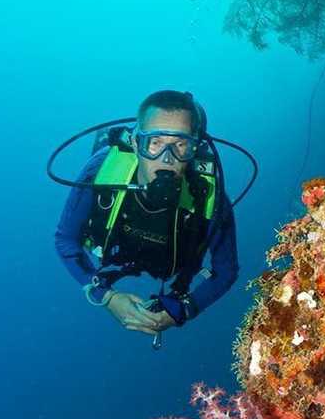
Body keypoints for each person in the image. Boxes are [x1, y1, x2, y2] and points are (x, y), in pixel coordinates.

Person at [55, 90, 239, 338]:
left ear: (194, 149)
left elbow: (226, 270)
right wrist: (105, 296)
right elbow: (65, 239)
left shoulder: (210, 197)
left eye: (181, 145)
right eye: (154, 143)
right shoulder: (101, 171)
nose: (166, 159)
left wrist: (184, 309)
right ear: (135, 142)